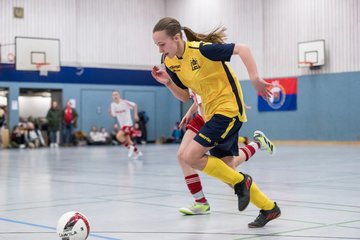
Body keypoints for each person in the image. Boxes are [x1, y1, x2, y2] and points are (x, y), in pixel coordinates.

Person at [151, 17, 280, 228]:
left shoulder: (202, 50)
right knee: (228, 170)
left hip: (228, 109)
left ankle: (241, 182)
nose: (160, 50)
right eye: (157, 46)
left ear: (176, 38)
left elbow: (243, 49)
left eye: (162, 44)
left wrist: (255, 78)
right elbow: (184, 96)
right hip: (210, 114)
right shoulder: (170, 62)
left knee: (189, 156)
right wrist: (167, 83)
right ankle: (268, 208)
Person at [178, 91, 275, 215]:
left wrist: (237, 99)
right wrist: (190, 111)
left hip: (217, 118)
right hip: (201, 117)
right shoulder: (181, 73)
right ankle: (200, 202)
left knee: (230, 170)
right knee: (182, 156)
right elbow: (199, 95)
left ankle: (257, 144)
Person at [109, 90, 142, 159]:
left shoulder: (124, 102)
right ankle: (137, 152)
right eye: (113, 95)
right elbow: (114, 115)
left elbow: (135, 105)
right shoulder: (112, 105)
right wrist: (110, 114)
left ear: (119, 95)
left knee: (118, 136)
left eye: (116, 94)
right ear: (112, 97)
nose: (115, 96)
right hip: (122, 125)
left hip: (128, 123)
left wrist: (135, 114)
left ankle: (130, 148)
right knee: (128, 140)